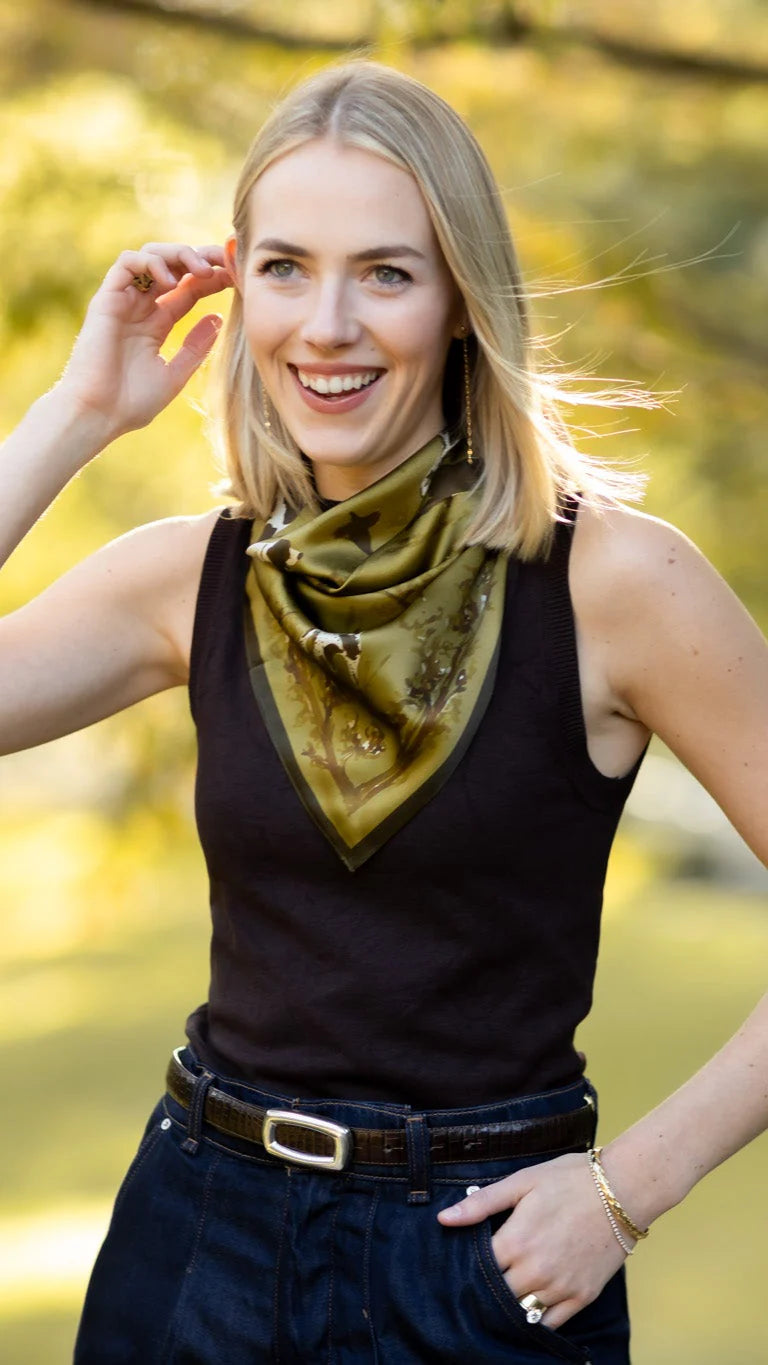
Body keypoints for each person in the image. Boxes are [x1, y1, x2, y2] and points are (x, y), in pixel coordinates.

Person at [1, 59, 766, 1365]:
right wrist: (76, 415)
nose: (328, 325)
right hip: (197, 1239)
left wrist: (630, 1187)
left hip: (484, 1262)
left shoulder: (619, 584)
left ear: (462, 300)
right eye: (286, 269)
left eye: (387, 274)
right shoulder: (191, 578)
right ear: (239, 289)